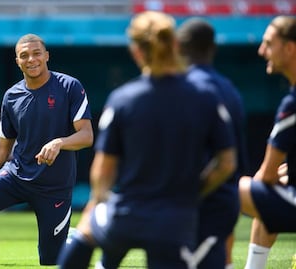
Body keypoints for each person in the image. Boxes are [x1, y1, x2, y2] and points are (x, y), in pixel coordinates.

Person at [57, 10, 237, 269]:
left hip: (127, 215)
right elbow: (226, 163)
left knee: (85, 231)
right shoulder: (206, 97)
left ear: (136, 51)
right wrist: (192, 193)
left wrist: (99, 203)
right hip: (177, 220)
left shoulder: (123, 99)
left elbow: (102, 171)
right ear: (175, 45)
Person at [0, 33, 94, 266]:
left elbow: (86, 136)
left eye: (36, 53)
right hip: (14, 177)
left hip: (54, 188)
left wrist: (60, 142)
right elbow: (1, 149)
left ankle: (69, 238)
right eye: (24, 56)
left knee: (50, 259)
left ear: (47, 55)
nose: (31, 59)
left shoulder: (69, 86)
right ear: (17, 61)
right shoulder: (11, 96)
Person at [177, 18, 247, 269]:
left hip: (202, 205)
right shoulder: (229, 88)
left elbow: (223, 162)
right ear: (212, 49)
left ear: (179, 47)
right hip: (225, 201)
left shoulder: (190, 89)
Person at [238, 15, 296, 269]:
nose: (262, 51)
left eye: (268, 44)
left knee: (226, 189)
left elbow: (266, 176)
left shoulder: (291, 105)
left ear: (290, 48)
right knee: (268, 202)